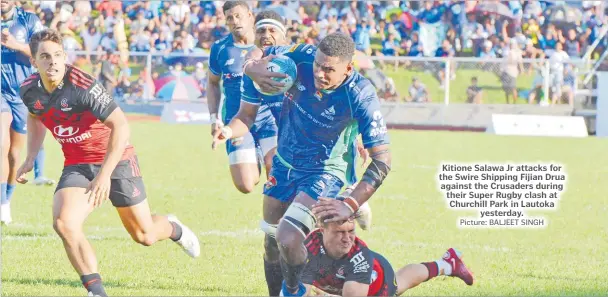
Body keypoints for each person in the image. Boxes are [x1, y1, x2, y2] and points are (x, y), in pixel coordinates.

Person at [16, 29, 200, 297]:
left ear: (65, 57)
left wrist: (104, 175)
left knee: (144, 235)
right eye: (45, 56)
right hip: (77, 163)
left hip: (117, 158)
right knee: (64, 223)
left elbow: (121, 126)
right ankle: (96, 291)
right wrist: (31, 157)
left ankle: (173, 228)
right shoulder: (29, 90)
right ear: (34, 62)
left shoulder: (82, 84)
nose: (53, 62)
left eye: (58, 55)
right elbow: (35, 117)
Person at [213, 32, 391, 296]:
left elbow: (383, 160)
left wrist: (349, 204)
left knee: (288, 236)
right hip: (284, 164)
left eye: (329, 69)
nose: (319, 73)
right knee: (272, 242)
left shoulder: (361, 94)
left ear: (348, 68)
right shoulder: (302, 57)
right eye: (318, 65)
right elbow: (259, 53)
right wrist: (250, 69)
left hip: (325, 172)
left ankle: (295, 291)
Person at [207, 1, 278, 194]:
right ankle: (253, 153)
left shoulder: (267, 43)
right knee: (245, 185)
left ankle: (278, 219)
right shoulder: (220, 48)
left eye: (238, 16)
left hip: (268, 118)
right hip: (237, 120)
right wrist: (214, 118)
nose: (234, 21)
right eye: (229, 18)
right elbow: (212, 83)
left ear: (250, 15)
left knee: (277, 174)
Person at [301, 219, 474, 296]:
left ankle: (446, 265)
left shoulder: (359, 258)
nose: (347, 239)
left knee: (398, 285)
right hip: (340, 283)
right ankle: (447, 263)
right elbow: (298, 288)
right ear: (322, 230)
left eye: (351, 231)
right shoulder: (308, 246)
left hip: (377, 284)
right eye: (339, 232)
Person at [0, 0, 54, 225]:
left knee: (14, 155)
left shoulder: (29, 20)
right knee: (1, 145)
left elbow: (45, 51)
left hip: (22, 93)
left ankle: (6, 202)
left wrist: (16, 45)